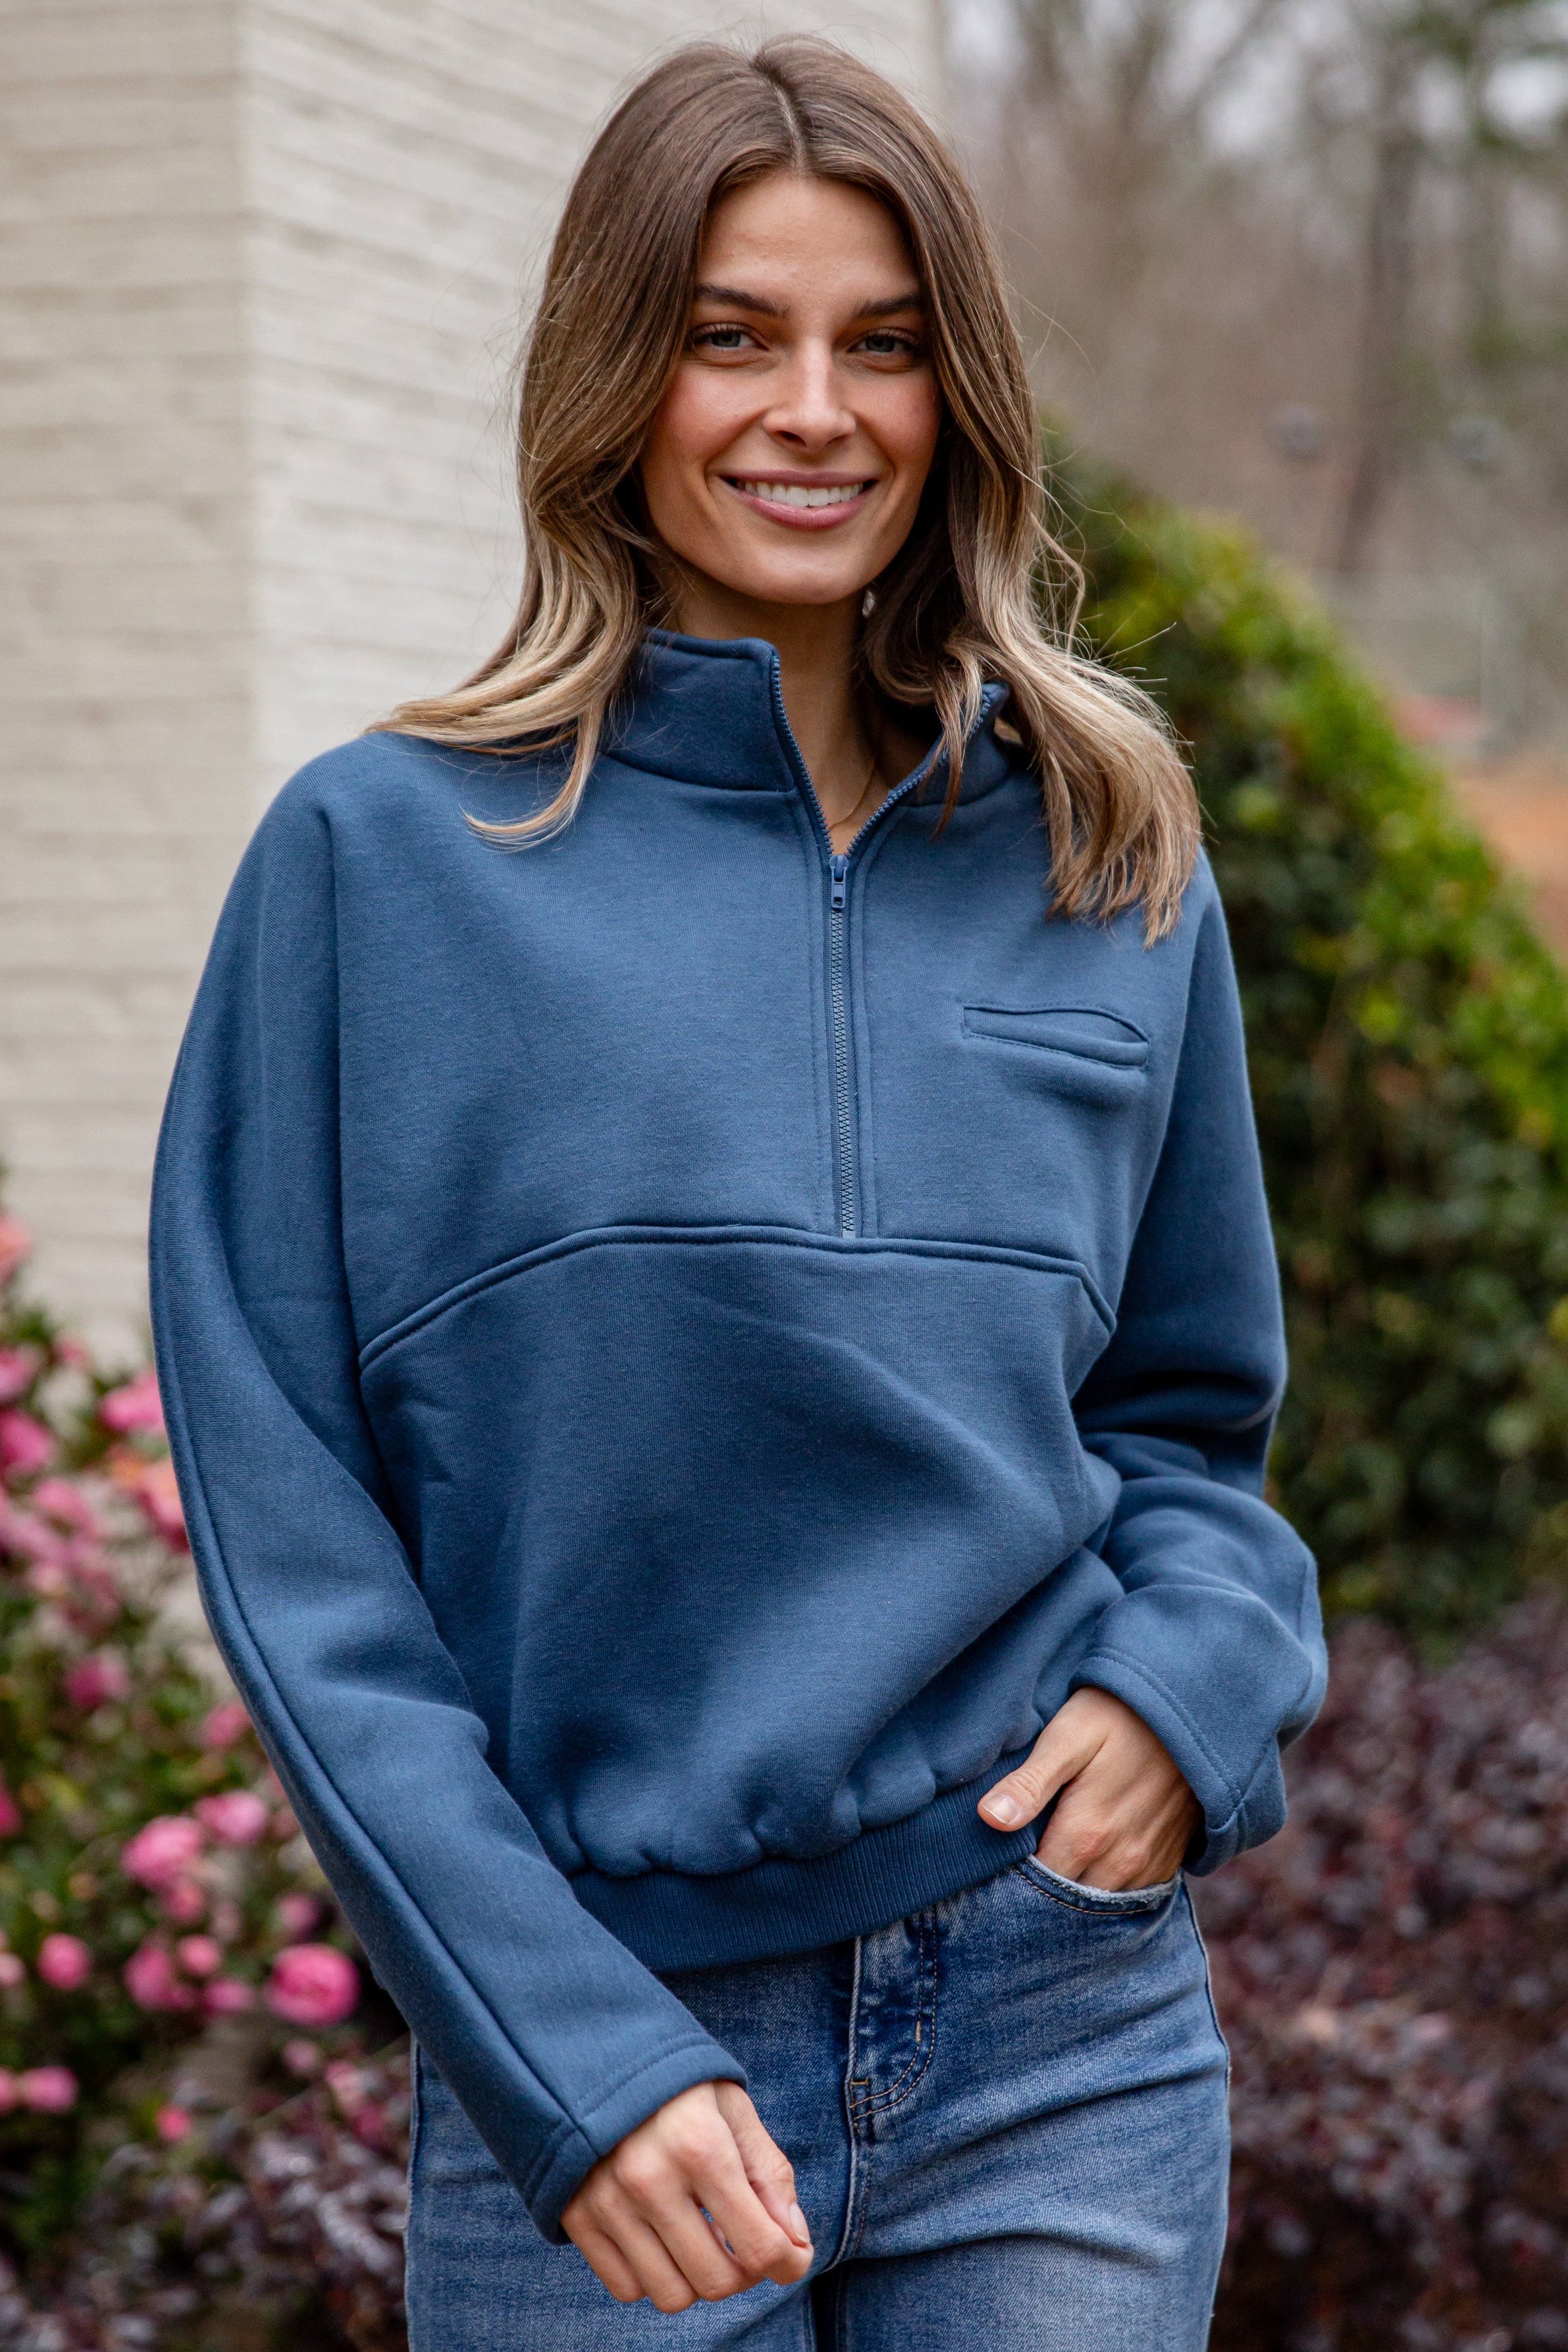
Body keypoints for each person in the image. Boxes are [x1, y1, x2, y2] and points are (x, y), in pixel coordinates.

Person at [150, 37, 1324, 2352]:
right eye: (732, 334)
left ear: (959, 393)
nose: (816, 412)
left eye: (883, 344)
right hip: (596, 2046)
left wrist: (1188, 1691)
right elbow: (299, 1553)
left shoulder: (1109, 857)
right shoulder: (381, 867)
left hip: (1055, 2021)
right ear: (620, 376)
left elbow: (1191, 1422)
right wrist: (563, 2056)